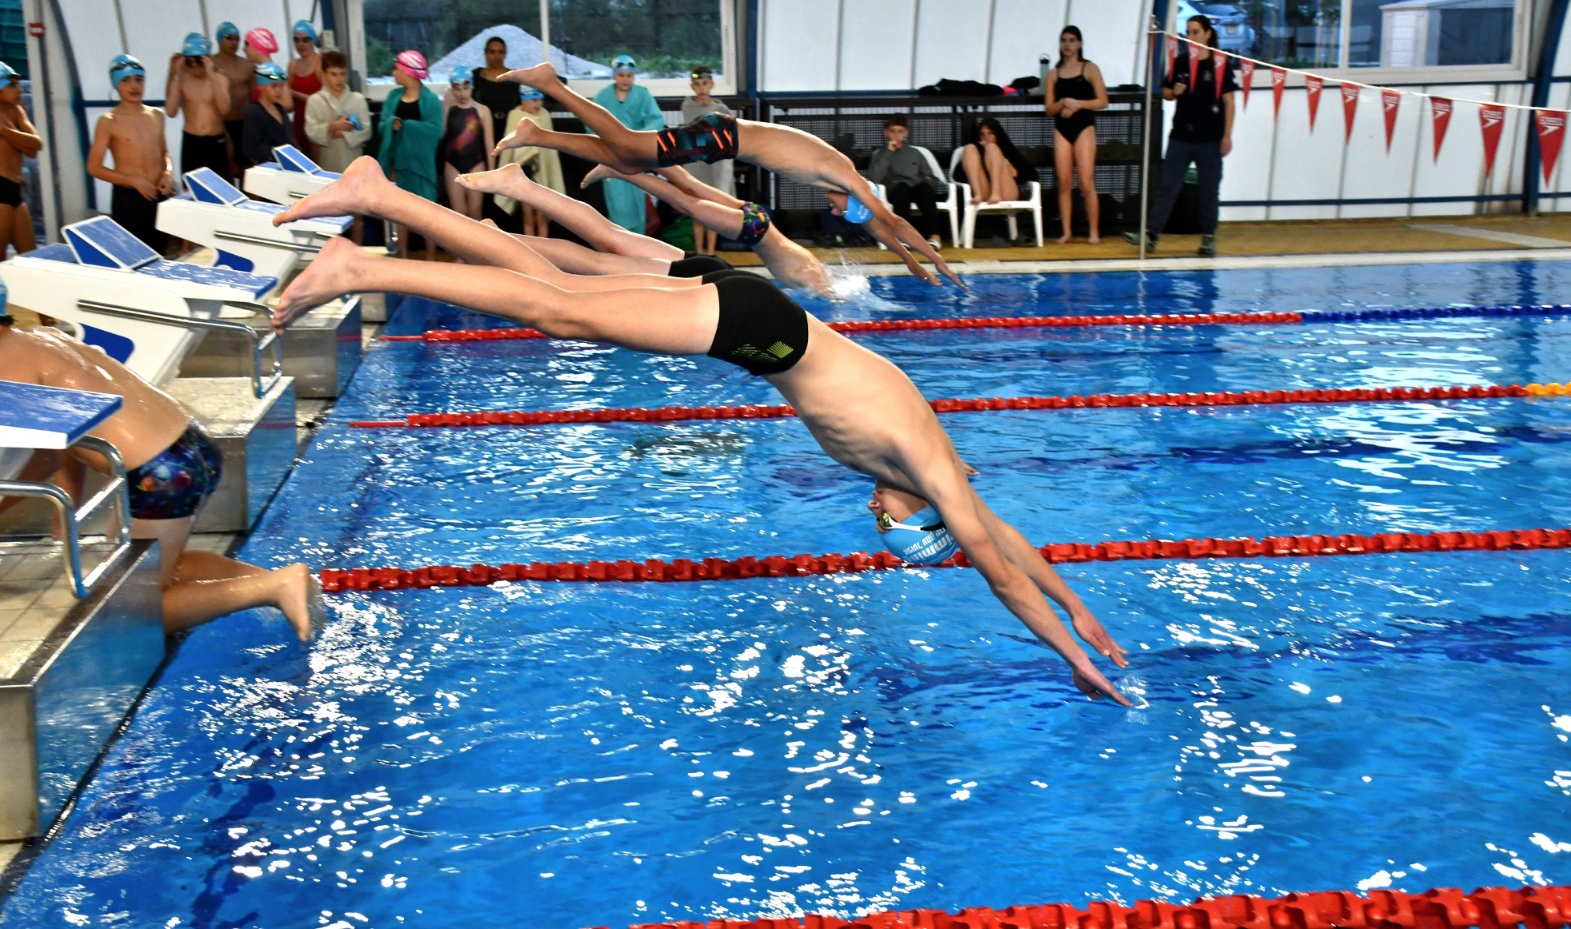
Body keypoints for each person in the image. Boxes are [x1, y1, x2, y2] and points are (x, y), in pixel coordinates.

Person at [270, 159, 1130, 704]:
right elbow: (1002, 576)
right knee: (557, 313)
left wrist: (1085, 614)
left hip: (762, 321)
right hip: (764, 332)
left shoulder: (941, 474)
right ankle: (362, 260)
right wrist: (1072, 659)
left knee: (553, 283)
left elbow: (1013, 548)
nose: (879, 524)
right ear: (926, 516)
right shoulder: (928, 471)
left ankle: (381, 195)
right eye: (897, 533)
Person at [0, 288, 323, 641]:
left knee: (128, 613)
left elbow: (39, 455)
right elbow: (59, 432)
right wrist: (68, 505)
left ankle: (274, 586)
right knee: (158, 571)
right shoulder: (45, 338)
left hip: (158, 473)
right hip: (191, 444)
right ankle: (284, 583)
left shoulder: (6, 364)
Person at [492, 63, 962, 287]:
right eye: (844, 210)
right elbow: (890, 221)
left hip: (726, 140)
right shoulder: (848, 177)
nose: (834, 209)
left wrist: (906, 256)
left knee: (632, 156)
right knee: (628, 148)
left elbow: (879, 224)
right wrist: (925, 261)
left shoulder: (837, 181)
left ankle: (542, 134)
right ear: (854, 200)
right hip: (725, 136)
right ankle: (551, 85)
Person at [472, 160, 836, 298]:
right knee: (595, 261)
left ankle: (518, 189)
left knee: (608, 237)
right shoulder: (812, 278)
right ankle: (620, 169)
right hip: (730, 250)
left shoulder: (810, 267)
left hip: (710, 263)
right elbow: (820, 298)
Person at [1123, 14, 1236, 258]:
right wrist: (1174, 91)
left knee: (1209, 189)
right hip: (1181, 137)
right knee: (1167, 186)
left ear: (1207, 34)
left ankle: (1208, 237)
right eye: (1188, 32)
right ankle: (1152, 235)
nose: (1191, 37)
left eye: (1196, 32)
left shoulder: (1220, 64)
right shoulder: (1181, 62)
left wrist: (1227, 135)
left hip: (1210, 139)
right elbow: (1164, 92)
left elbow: (1229, 101)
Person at [87, 54, 173, 252]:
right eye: (126, 80)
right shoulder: (109, 121)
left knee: (160, 255)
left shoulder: (156, 115)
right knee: (134, 258)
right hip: (129, 199)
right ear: (116, 85)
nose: (134, 86)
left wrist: (168, 172)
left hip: (157, 193)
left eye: (139, 80)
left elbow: (165, 153)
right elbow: (93, 167)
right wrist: (133, 181)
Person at [377, 50, 444, 259]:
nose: (394, 72)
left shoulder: (431, 100)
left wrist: (409, 126)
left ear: (409, 72)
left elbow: (436, 131)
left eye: (397, 68)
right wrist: (391, 125)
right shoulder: (393, 97)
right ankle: (403, 257)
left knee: (428, 217)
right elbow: (381, 125)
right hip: (398, 165)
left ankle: (431, 259)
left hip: (422, 167)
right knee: (400, 215)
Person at [1046, 25, 1109, 245]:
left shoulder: (1089, 69)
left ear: (1079, 44)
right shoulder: (1054, 73)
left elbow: (1102, 101)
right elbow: (1048, 108)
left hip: (1084, 127)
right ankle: (1066, 231)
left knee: (1086, 181)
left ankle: (1093, 231)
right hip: (1062, 129)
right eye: (1064, 40)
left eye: (1072, 40)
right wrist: (1063, 102)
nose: (1067, 44)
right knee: (1064, 182)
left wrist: (1078, 104)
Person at [303, 50, 373, 244]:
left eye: (342, 73)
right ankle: (332, 256)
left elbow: (366, 132)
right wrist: (331, 127)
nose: (338, 79)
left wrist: (340, 132)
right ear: (324, 74)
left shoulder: (357, 100)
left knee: (357, 213)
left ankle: (356, 251)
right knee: (329, 214)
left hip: (353, 162)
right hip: (328, 163)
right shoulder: (315, 101)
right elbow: (311, 131)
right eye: (333, 74)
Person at [591, 54, 664, 234]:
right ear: (615, 75)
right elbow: (592, 122)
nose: (625, 79)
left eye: (629, 75)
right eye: (621, 75)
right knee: (616, 201)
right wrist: (605, 142)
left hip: (635, 156)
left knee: (637, 198)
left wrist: (637, 138)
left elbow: (656, 120)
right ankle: (619, 243)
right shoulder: (603, 97)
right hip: (612, 156)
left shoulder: (643, 95)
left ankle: (639, 245)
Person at [492, 85, 565, 238]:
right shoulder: (515, 116)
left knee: (542, 215)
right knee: (527, 215)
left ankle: (545, 252)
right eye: (533, 100)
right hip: (523, 173)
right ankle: (531, 251)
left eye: (540, 100)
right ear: (523, 100)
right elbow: (509, 150)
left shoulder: (544, 115)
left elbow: (549, 152)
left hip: (542, 172)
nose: (538, 104)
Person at [679, 65, 736, 255]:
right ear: (692, 86)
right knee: (697, 209)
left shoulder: (721, 108)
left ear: (711, 84)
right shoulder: (688, 106)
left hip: (715, 163)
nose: (701, 88)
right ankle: (699, 251)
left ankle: (711, 252)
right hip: (696, 163)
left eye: (704, 84)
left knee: (713, 209)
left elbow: (727, 136)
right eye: (697, 85)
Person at [866, 115, 945, 250]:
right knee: (902, 189)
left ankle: (935, 237)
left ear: (906, 133)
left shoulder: (915, 153)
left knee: (925, 189)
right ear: (886, 133)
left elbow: (930, 175)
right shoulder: (880, 154)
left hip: (915, 187)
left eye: (900, 131)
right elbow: (874, 178)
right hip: (894, 189)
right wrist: (889, 153)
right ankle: (903, 237)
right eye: (893, 131)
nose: (896, 135)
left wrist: (927, 180)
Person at [163, 32, 231, 180]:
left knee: (220, 191)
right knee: (191, 192)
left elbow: (224, 109)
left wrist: (211, 74)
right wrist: (178, 74)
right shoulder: (182, 80)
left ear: (207, 59)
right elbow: (170, 111)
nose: (194, 66)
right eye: (190, 62)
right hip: (192, 142)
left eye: (198, 61)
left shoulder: (219, 78)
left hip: (216, 142)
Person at [442, 65, 494, 223]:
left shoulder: (482, 111)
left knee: (475, 211)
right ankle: (460, 248)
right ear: (451, 89)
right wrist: (445, 106)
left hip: (476, 164)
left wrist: (492, 172)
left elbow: (489, 143)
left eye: (465, 88)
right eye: (457, 89)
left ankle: (476, 248)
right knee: (459, 214)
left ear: (471, 86)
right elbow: (441, 134)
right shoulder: (448, 108)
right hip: (452, 164)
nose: (462, 93)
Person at [956, 117, 1037, 217]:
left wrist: (1012, 170)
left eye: (990, 133)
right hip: (984, 193)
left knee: (992, 148)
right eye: (982, 134)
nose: (986, 137)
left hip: (1006, 193)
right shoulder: (975, 151)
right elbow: (957, 176)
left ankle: (996, 193)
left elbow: (1033, 175)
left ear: (997, 135)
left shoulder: (1008, 150)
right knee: (969, 148)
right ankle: (978, 194)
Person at [0, 62, 40, 259]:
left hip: (15, 190)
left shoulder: (17, 111)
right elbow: (30, 147)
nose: (19, 89)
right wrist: (18, 140)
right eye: (12, 85)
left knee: (31, 258)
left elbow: (36, 145)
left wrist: (4, 131)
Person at [211, 22, 254, 181]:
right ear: (219, 39)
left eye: (237, 39)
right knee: (225, 171)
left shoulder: (247, 65)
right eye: (229, 38)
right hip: (221, 123)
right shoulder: (211, 64)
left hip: (244, 123)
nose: (233, 43)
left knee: (248, 172)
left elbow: (254, 96)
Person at [471, 35, 521, 146]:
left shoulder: (515, 77)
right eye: (492, 52)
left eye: (500, 52)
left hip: (510, 131)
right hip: (481, 133)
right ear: (485, 53)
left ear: (505, 54)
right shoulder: (475, 77)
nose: (496, 56)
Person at [242, 61, 292, 167]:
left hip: (286, 168)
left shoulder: (280, 109)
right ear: (261, 86)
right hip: (268, 170)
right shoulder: (253, 113)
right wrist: (279, 153)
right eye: (273, 86)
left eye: (281, 86)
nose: (278, 91)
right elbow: (250, 149)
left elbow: (289, 140)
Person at [286, 19, 324, 159]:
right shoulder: (292, 65)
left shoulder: (321, 63)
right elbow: (287, 101)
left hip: (318, 125)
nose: (300, 44)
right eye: (296, 40)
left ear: (313, 40)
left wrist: (294, 93)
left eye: (305, 40)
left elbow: (323, 102)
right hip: (299, 125)